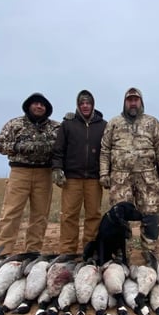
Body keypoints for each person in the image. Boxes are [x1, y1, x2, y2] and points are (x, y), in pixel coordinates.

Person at [99, 87, 159, 267]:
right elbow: (105, 150)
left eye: (136, 100)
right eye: (129, 100)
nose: (133, 103)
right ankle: (123, 253)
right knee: (120, 217)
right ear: (125, 102)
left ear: (141, 102)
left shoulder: (152, 123)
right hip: (120, 178)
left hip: (148, 178)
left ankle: (150, 252)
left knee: (150, 215)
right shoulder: (114, 123)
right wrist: (103, 173)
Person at [0, 92, 60, 255]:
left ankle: (32, 252)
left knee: (40, 215)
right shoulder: (15, 124)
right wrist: (19, 147)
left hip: (44, 174)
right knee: (10, 213)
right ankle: (0, 253)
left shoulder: (55, 127)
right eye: (36, 103)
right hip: (20, 172)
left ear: (47, 108)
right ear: (29, 106)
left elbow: (62, 147)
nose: (39, 106)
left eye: (42, 104)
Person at [52, 90, 107, 260]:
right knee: (69, 215)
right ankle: (68, 251)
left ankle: (90, 251)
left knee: (94, 215)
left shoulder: (103, 125)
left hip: (94, 178)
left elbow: (107, 151)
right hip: (72, 178)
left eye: (88, 103)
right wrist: (57, 168)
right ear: (78, 105)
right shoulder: (68, 124)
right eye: (82, 103)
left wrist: (106, 172)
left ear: (93, 105)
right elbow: (58, 150)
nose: (85, 105)